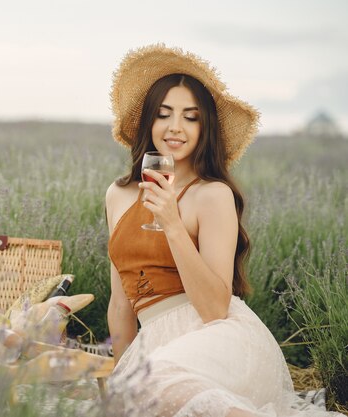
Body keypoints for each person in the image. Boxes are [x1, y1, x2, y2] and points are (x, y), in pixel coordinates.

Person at [104, 44, 342, 417]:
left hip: (217, 339)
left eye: (191, 117)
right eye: (164, 114)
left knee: (163, 390)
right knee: (130, 396)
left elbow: (215, 308)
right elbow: (120, 306)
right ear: (149, 122)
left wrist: (172, 223)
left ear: (205, 128)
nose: (175, 127)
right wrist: (120, 380)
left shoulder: (212, 195)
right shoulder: (118, 195)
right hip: (154, 345)